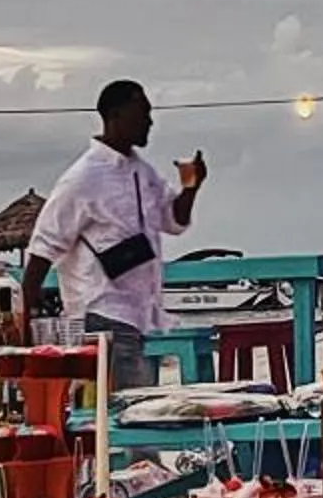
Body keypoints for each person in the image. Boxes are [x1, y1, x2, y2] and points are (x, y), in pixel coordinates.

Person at [22, 80, 204, 394]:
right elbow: (43, 246)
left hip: (141, 317)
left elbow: (173, 220)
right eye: (142, 112)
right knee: (124, 419)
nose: (150, 121)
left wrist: (191, 186)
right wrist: (23, 323)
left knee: (137, 418)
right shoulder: (82, 178)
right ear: (116, 115)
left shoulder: (143, 173)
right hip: (101, 314)